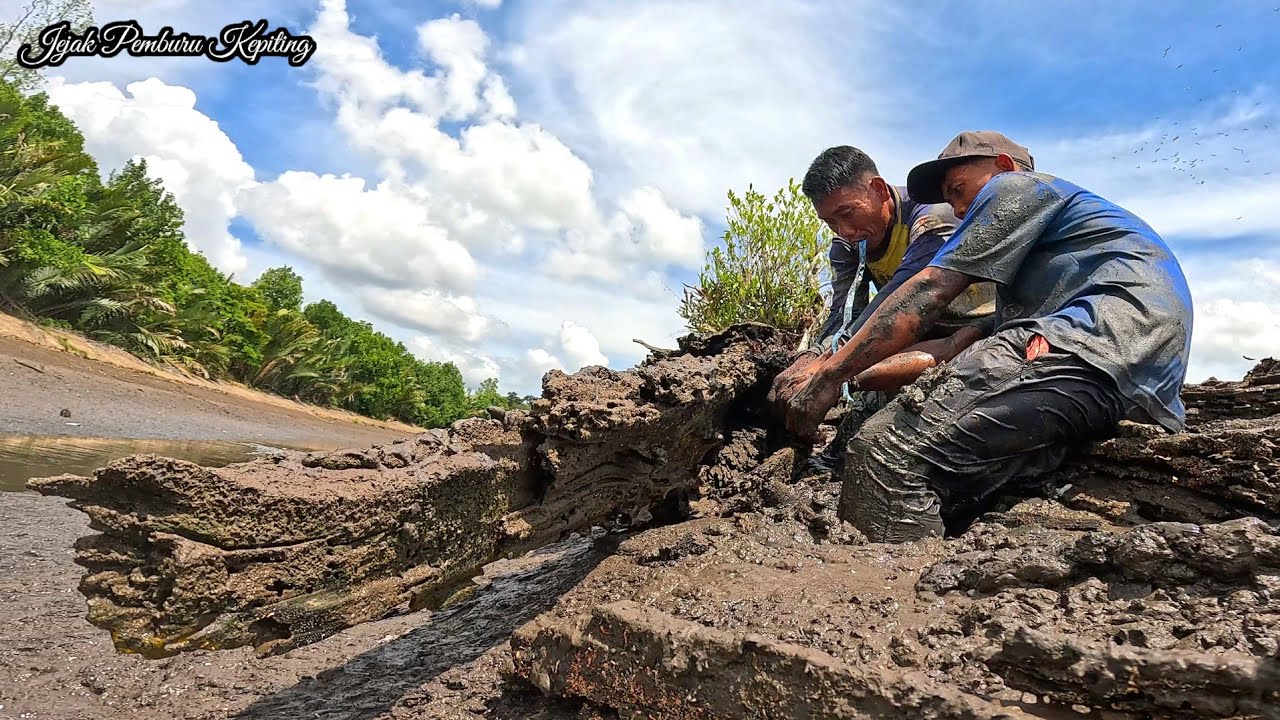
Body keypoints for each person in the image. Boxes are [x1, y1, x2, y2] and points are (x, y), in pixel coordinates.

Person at [783, 130, 1193, 543]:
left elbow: (928, 291)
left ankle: (890, 578)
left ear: (1004, 166)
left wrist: (829, 375)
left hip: (1097, 345)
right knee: (952, 480)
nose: (958, 210)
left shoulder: (1017, 186)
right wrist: (856, 378)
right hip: (1138, 383)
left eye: (959, 190)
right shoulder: (1035, 270)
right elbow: (953, 346)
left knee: (884, 451)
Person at [768, 146, 996, 444]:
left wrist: (827, 368)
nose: (844, 231)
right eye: (830, 222)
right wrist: (810, 357)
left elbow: (904, 296)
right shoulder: (847, 245)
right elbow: (843, 313)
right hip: (912, 336)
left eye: (846, 213)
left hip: (979, 329)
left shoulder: (930, 217)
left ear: (878, 189)